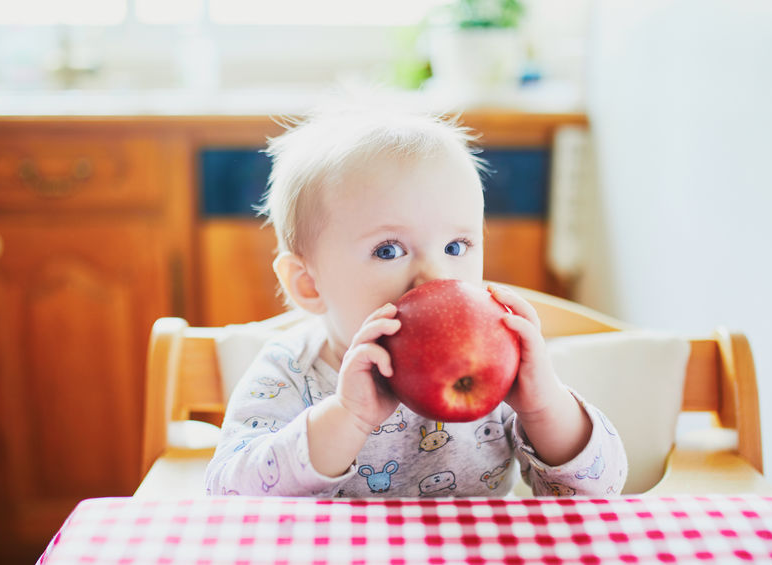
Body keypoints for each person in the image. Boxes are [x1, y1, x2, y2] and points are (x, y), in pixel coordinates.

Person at [205, 101, 627, 497]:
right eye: (388, 250)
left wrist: (544, 407)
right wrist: (345, 417)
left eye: (456, 247)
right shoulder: (290, 373)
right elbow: (228, 494)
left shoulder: (499, 367)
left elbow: (599, 490)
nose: (436, 277)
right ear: (309, 284)